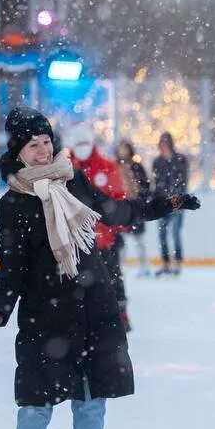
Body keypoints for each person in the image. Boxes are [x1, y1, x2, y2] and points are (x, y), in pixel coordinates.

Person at [0, 108, 198, 429]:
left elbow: (114, 213)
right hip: (44, 316)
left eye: (47, 141)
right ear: (18, 152)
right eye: (33, 145)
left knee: (90, 404)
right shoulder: (12, 203)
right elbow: (12, 266)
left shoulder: (74, 179)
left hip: (91, 307)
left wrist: (164, 204)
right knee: (35, 406)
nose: (44, 149)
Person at [66, 125, 132, 332]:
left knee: (113, 277)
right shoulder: (67, 169)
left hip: (105, 236)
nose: (83, 148)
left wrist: (121, 224)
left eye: (85, 143)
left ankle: (120, 313)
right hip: (77, 239)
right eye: (79, 144)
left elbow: (119, 198)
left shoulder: (107, 166)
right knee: (78, 282)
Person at [152, 132, 189, 275]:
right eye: (161, 143)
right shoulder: (157, 162)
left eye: (165, 143)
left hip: (177, 202)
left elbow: (183, 181)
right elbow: (157, 183)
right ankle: (166, 263)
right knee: (162, 234)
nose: (163, 146)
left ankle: (177, 262)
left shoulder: (180, 160)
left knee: (175, 233)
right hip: (162, 202)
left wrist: (177, 199)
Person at [115, 139, 154, 278]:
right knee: (119, 242)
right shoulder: (114, 166)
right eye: (120, 148)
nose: (122, 151)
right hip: (120, 208)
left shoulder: (137, 167)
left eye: (124, 148)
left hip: (135, 207)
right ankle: (118, 269)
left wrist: (140, 199)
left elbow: (146, 186)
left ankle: (144, 268)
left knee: (140, 241)